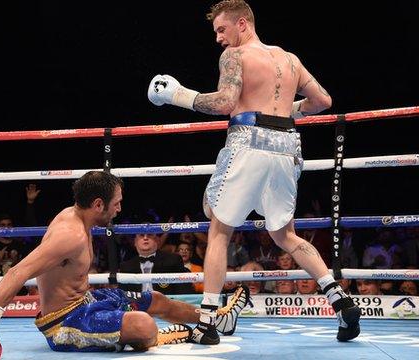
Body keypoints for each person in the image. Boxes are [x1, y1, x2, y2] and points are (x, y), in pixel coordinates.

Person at [147, 0, 359, 344]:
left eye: (222, 29)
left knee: (218, 229)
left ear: (242, 23)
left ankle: (207, 322)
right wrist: (281, 111)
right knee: (285, 235)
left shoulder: (236, 55)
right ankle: (342, 301)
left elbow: (225, 103)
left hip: (249, 143)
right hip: (288, 145)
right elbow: (322, 101)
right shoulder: (289, 58)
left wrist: (177, 95)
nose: (218, 38)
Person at [0, 171, 249, 359]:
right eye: (116, 204)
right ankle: (184, 334)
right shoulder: (68, 235)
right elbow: (18, 272)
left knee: (157, 299)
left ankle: (214, 320)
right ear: (98, 204)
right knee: (143, 325)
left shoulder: (79, 220)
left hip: (88, 301)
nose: (119, 209)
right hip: (65, 322)